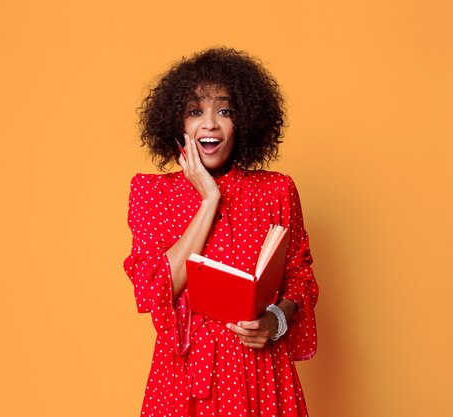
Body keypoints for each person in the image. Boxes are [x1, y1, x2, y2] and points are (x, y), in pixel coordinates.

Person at [123, 47, 319, 417]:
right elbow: (156, 286)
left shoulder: (276, 191)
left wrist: (274, 321)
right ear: (177, 124)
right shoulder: (152, 193)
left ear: (243, 122)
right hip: (184, 379)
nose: (210, 124)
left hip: (262, 371)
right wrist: (209, 200)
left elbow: (301, 278)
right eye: (196, 111)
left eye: (224, 111)